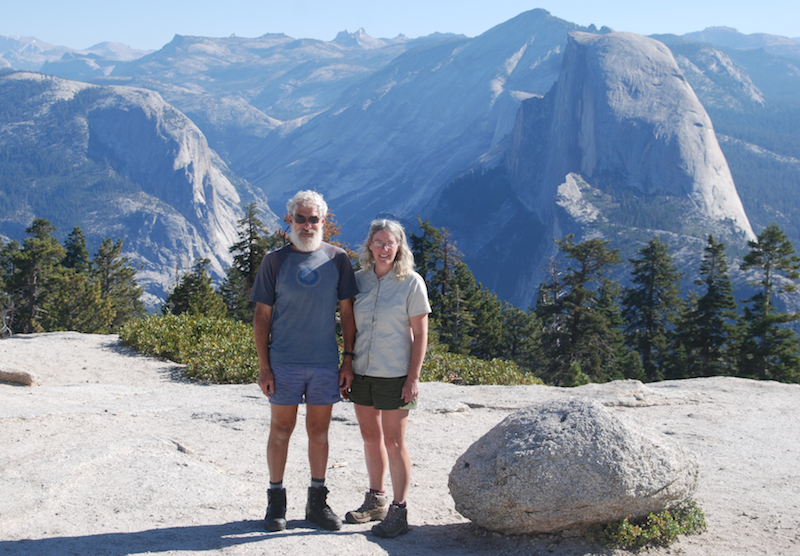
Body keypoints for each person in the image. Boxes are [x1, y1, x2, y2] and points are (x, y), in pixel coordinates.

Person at [250, 190, 358, 532]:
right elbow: (262, 317)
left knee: (319, 432)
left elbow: (348, 314)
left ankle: (316, 501)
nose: (307, 225)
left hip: (325, 363)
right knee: (281, 430)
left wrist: (348, 360)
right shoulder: (275, 261)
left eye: (314, 219)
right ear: (289, 222)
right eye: (301, 218)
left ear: (323, 222)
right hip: (284, 363)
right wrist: (264, 367)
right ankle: (276, 501)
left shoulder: (337, 259)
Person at [344, 219, 431, 538]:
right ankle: (376, 499)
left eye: (389, 243)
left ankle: (400, 508)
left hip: (396, 375)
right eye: (378, 242)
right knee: (370, 438)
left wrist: (414, 377)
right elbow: (350, 327)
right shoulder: (358, 281)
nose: (383, 248)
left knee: (395, 442)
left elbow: (421, 333)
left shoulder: (411, 282)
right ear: (369, 245)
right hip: (363, 372)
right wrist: (348, 364)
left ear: (399, 247)